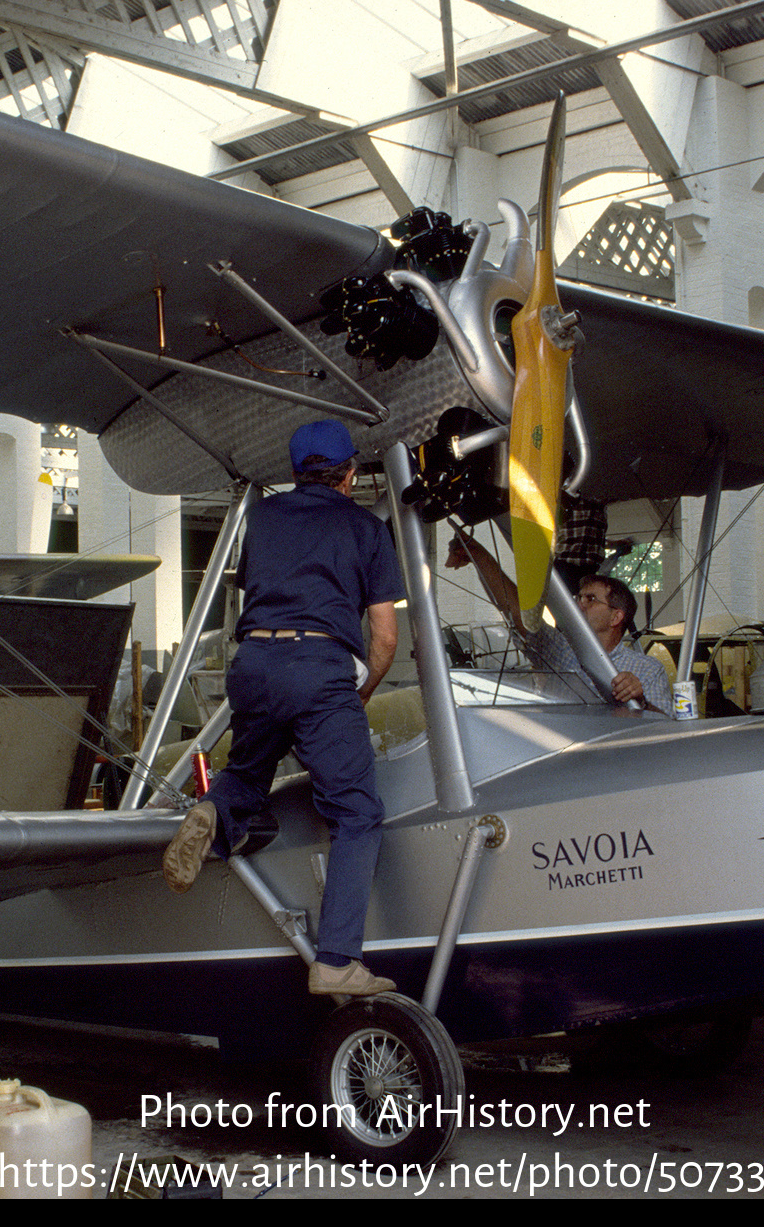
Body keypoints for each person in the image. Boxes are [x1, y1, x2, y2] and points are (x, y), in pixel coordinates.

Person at [162, 419, 404, 997]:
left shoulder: (264, 518)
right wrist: (359, 690)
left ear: (297, 473)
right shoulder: (364, 527)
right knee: (356, 813)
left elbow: (256, 594)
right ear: (349, 475)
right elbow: (387, 637)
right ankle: (337, 960)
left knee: (247, 772)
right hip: (319, 669)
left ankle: (213, 818)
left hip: (252, 665)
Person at [446, 531, 671, 714]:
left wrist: (640, 701)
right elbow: (515, 609)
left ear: (616, 617)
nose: (579, 604)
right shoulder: (560, 650)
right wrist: (480, 556)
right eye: (578, 598)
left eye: (590, 599)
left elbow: (666, 729)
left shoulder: (648, 669)